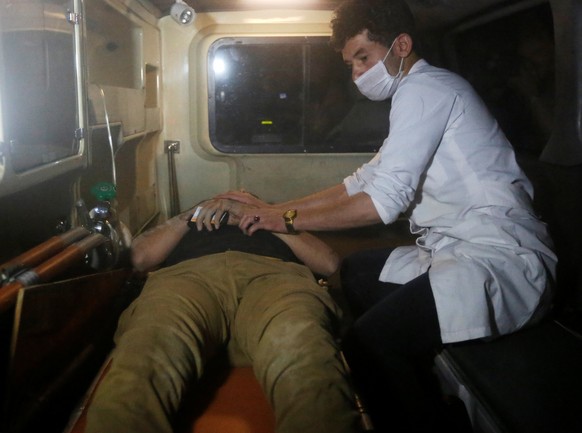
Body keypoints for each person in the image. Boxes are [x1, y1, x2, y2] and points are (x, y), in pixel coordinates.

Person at [213, 0, 558, 431]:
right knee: (356, 271)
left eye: (364, 57)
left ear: (401, 44)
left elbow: (382, 202)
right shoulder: (416, 92)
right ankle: (416, 371)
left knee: (370, 343)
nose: (357, 73)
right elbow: (360, 182)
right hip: (460, 248)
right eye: (350, 63)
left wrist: (286, 221)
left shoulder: (425, 90)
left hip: (501, 257)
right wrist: (273, 210)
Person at [84, 195, 363, 433]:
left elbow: (328, 263)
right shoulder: (187, 224)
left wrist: (263, 213)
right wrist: (189, 216)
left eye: (240, 195)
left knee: (303, 348)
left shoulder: (276, 219)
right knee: (147, 351)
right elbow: (140, 258)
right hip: (188, 279)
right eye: (222, 197)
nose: (229, 200)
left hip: (274, 278)